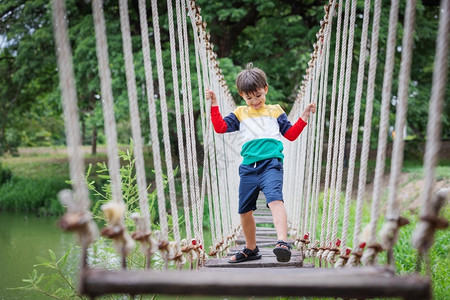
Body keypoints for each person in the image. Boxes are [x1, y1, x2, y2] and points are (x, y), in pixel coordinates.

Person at [205, 63, 316, 263]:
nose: (255, 101)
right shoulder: (240, 113)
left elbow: (290, 135)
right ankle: (251, 249)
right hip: (248, 168)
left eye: (258, 95)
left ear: (265, 89)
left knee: (275, 200)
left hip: (271, 164)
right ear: (241, 96)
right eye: (249, 97)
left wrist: (304, 117)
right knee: (244, 210)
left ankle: (282, 242)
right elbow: (220, 127)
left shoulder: (275, 110)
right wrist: (214, 103)